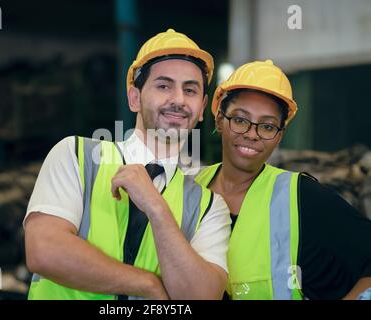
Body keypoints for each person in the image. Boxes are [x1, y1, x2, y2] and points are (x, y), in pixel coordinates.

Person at [24, 29, 231, 300]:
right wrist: (147, 285)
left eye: (190, 90)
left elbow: (200, 296)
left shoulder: (209, 207)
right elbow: (44, 250)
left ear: (202, 107)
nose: (179, 100)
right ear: (134, 98)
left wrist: (156, 207)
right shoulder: (75, 155)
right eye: (163, 85)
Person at [195, 59, 371, 300]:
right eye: (240, 120)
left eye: (267, 126)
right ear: (219, 120)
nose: (251, 134)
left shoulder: (302, 196)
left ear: (279, 136)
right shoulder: (189, 187)